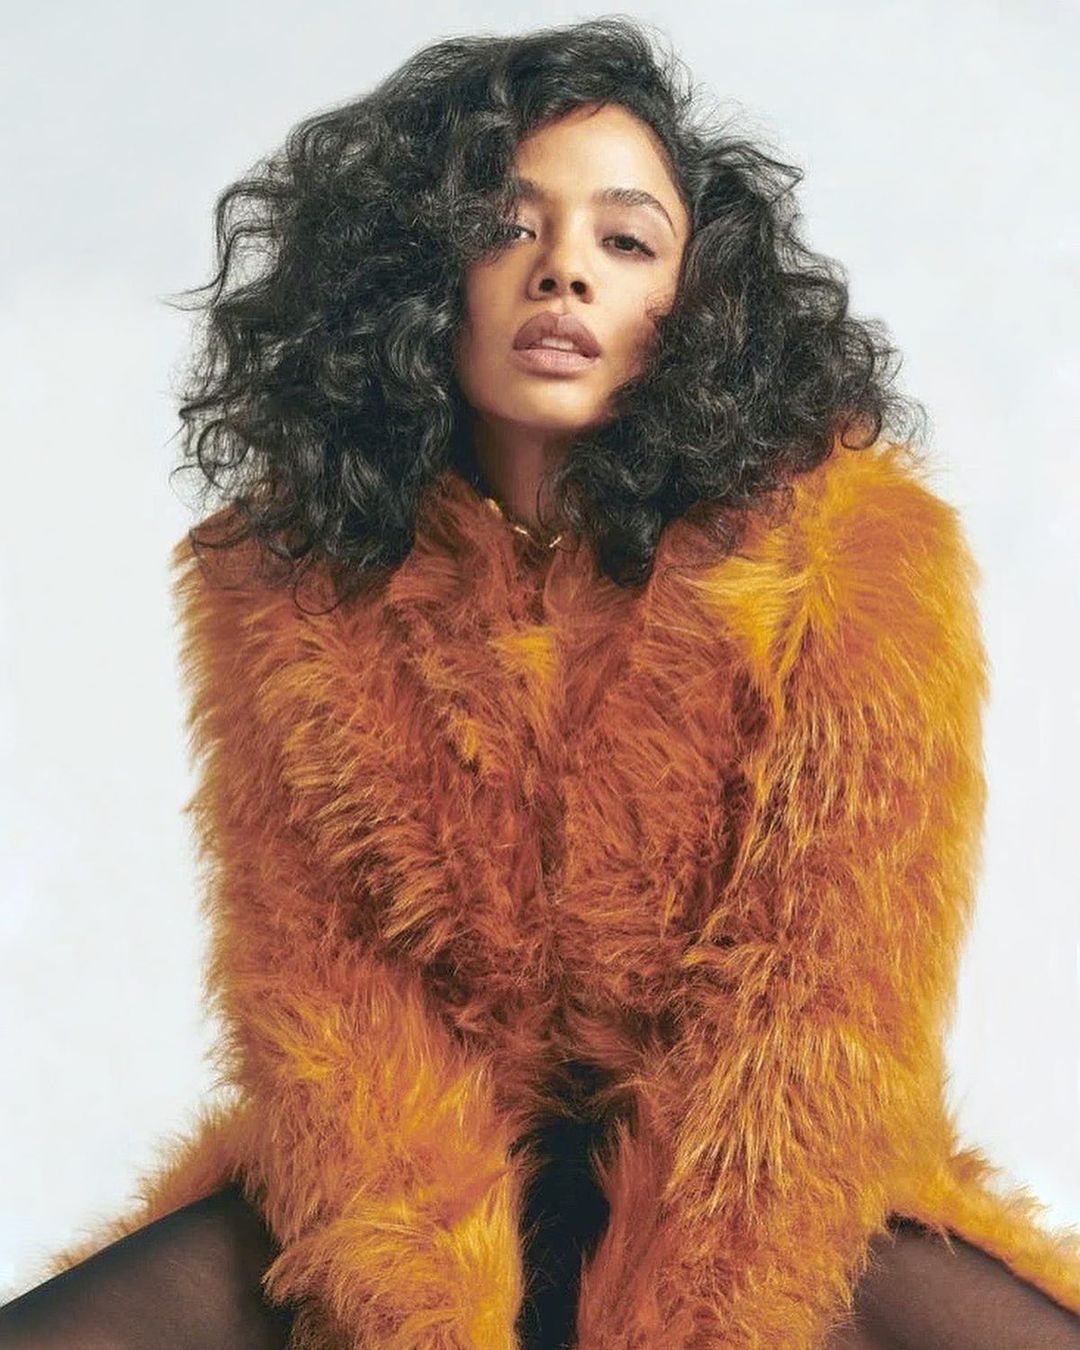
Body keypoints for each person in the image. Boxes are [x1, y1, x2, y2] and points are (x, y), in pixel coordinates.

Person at [3, 16, 1079, 1349]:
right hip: (412, 1188)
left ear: (694, 303)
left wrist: (680, 1323)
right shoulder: (290, 575)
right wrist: (426, 1312)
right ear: (419, 275)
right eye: (508, 227)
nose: (564, 269)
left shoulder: (852, 559)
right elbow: (328, 1000)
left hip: (751, 1194)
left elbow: (820, 1026)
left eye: (626, 241)